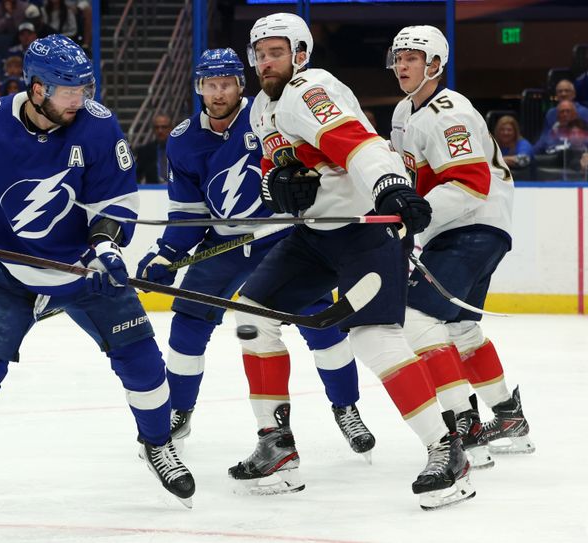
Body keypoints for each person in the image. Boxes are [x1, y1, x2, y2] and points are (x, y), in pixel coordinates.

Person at [0, 34, 195, 524]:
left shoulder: (97, 125)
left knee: (142, 362)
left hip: (83, 269)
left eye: (84, 88)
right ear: (35, 88)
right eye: (68, 91)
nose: (80, 99)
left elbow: (114, 201)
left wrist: (108, 245)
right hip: (11, 272)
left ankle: (157, 445)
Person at [232, 13, 472, 510]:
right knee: (253, 317)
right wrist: (277, 188)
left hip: (362, 229)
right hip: (316, 234)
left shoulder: (309, 89)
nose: (264, 61)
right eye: (259, 53)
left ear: (299, 54)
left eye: (275, 52)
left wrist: (391, 187)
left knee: (374, 339)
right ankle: (276, 446)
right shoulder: (259, 107)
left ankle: (446, 450)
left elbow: (358, 144)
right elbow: (273, 169)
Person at [135, 48, 375, 482]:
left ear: (240, 85)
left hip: (281, 241)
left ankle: (347, 408)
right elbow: (188, 213)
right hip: (224, 244)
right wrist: (167, 255)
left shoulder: (269, 115)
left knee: (320, 322)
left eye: (227, 83)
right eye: (211, 84)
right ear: (199, 87)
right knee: (187, 323)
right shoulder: (184, 139)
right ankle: (179, 412)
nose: (219, 92)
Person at [387, 25, 535, 469]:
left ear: (435, 64)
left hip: (472, 227)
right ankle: (509, 418)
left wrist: (413, 221)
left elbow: (470, 184)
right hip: (465, 231)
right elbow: (406, 176)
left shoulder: (452, 112)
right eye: (398, 57)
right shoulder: (402, 113)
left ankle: (462, 423)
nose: (402, 65)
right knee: (461, 330)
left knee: (416, 316)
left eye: (412, 57)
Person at [135, 114, 172, 184]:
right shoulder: (144, 151)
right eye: (157, 127)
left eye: (164, 127)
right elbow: (136, 176)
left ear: (171, 128)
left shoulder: (179, 150)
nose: (160, 131)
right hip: (154, 192)